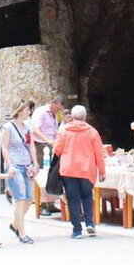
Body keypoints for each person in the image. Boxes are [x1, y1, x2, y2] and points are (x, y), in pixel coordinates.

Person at [53, 104, 106, 239]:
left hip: (69, 170)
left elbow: (57, 150)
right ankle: (90, 223)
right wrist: (102, 171)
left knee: (73, 199)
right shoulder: (92, 132)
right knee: (87, 196)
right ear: (85, 117)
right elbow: (99, 153)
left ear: (72, 116)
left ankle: (77, 230)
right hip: (87, 170)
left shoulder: (64, 131)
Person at [0, 100, 37, 243]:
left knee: (29, 198)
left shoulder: (27, 127)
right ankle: (22, 233)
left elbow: (31, 145)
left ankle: (15, 224)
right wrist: (9, 165)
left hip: (27, 164)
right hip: (15, 165)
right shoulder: (8, 128)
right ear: (19, 111)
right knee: (20, 199)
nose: (29, 112)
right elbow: (4, 147)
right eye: (27, 110)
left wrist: (35, 163)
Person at [30, 95, 66, 216]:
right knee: (41, 174)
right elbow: (34, 129)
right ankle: (40, 205)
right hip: (41, 145)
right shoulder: (41, 112)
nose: (58, 111)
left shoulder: (54, 114)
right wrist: (47, 140)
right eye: (57, 108)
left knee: (50, 174)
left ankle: (50, 203)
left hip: (51, 145)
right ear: (52, 103)